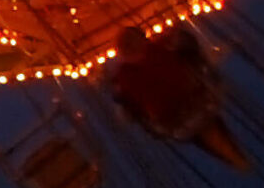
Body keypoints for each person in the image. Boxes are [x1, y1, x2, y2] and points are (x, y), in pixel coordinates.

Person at [105, 26, 250, 169]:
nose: (130, 45)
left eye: (130, 40)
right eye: (126, 43)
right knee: (213, 136)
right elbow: (128, 110)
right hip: (178, 111)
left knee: (213, 136)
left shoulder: (128, 72)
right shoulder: (125, 75)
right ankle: (235, 159)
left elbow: (128, 109)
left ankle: (235, 159)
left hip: (183, 107)